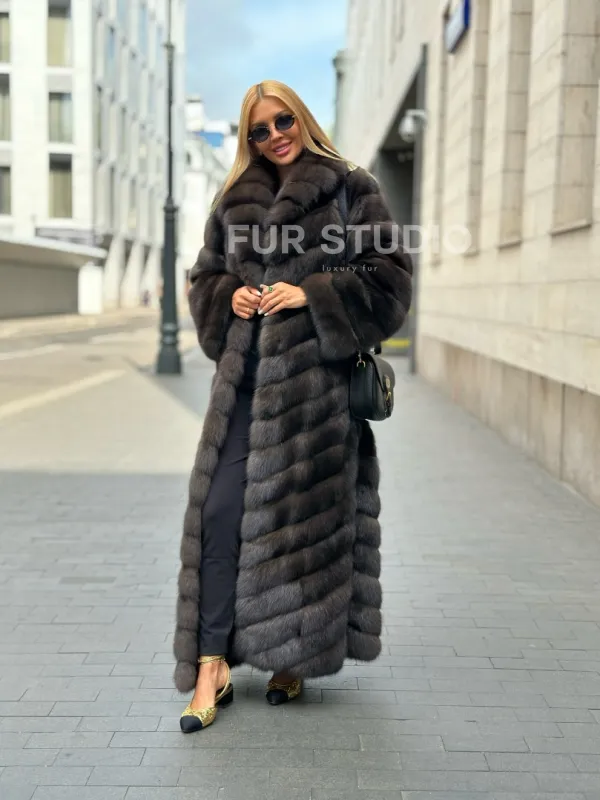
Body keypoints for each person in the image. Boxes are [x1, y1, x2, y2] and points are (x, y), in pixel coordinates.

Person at [173, 79, 413, 733]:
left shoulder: (351, 188)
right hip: (244, 386)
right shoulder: (233, 201)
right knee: (219, 512)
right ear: (248, 139)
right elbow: (204, 278)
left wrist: (313, 293)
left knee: (300, 528)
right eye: (259, 129)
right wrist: (229, 296)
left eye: (282, 121)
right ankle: (212, 667)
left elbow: (391, 278)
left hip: (316, 398)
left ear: (301, 118)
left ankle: (292, 656)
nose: (274, 135)